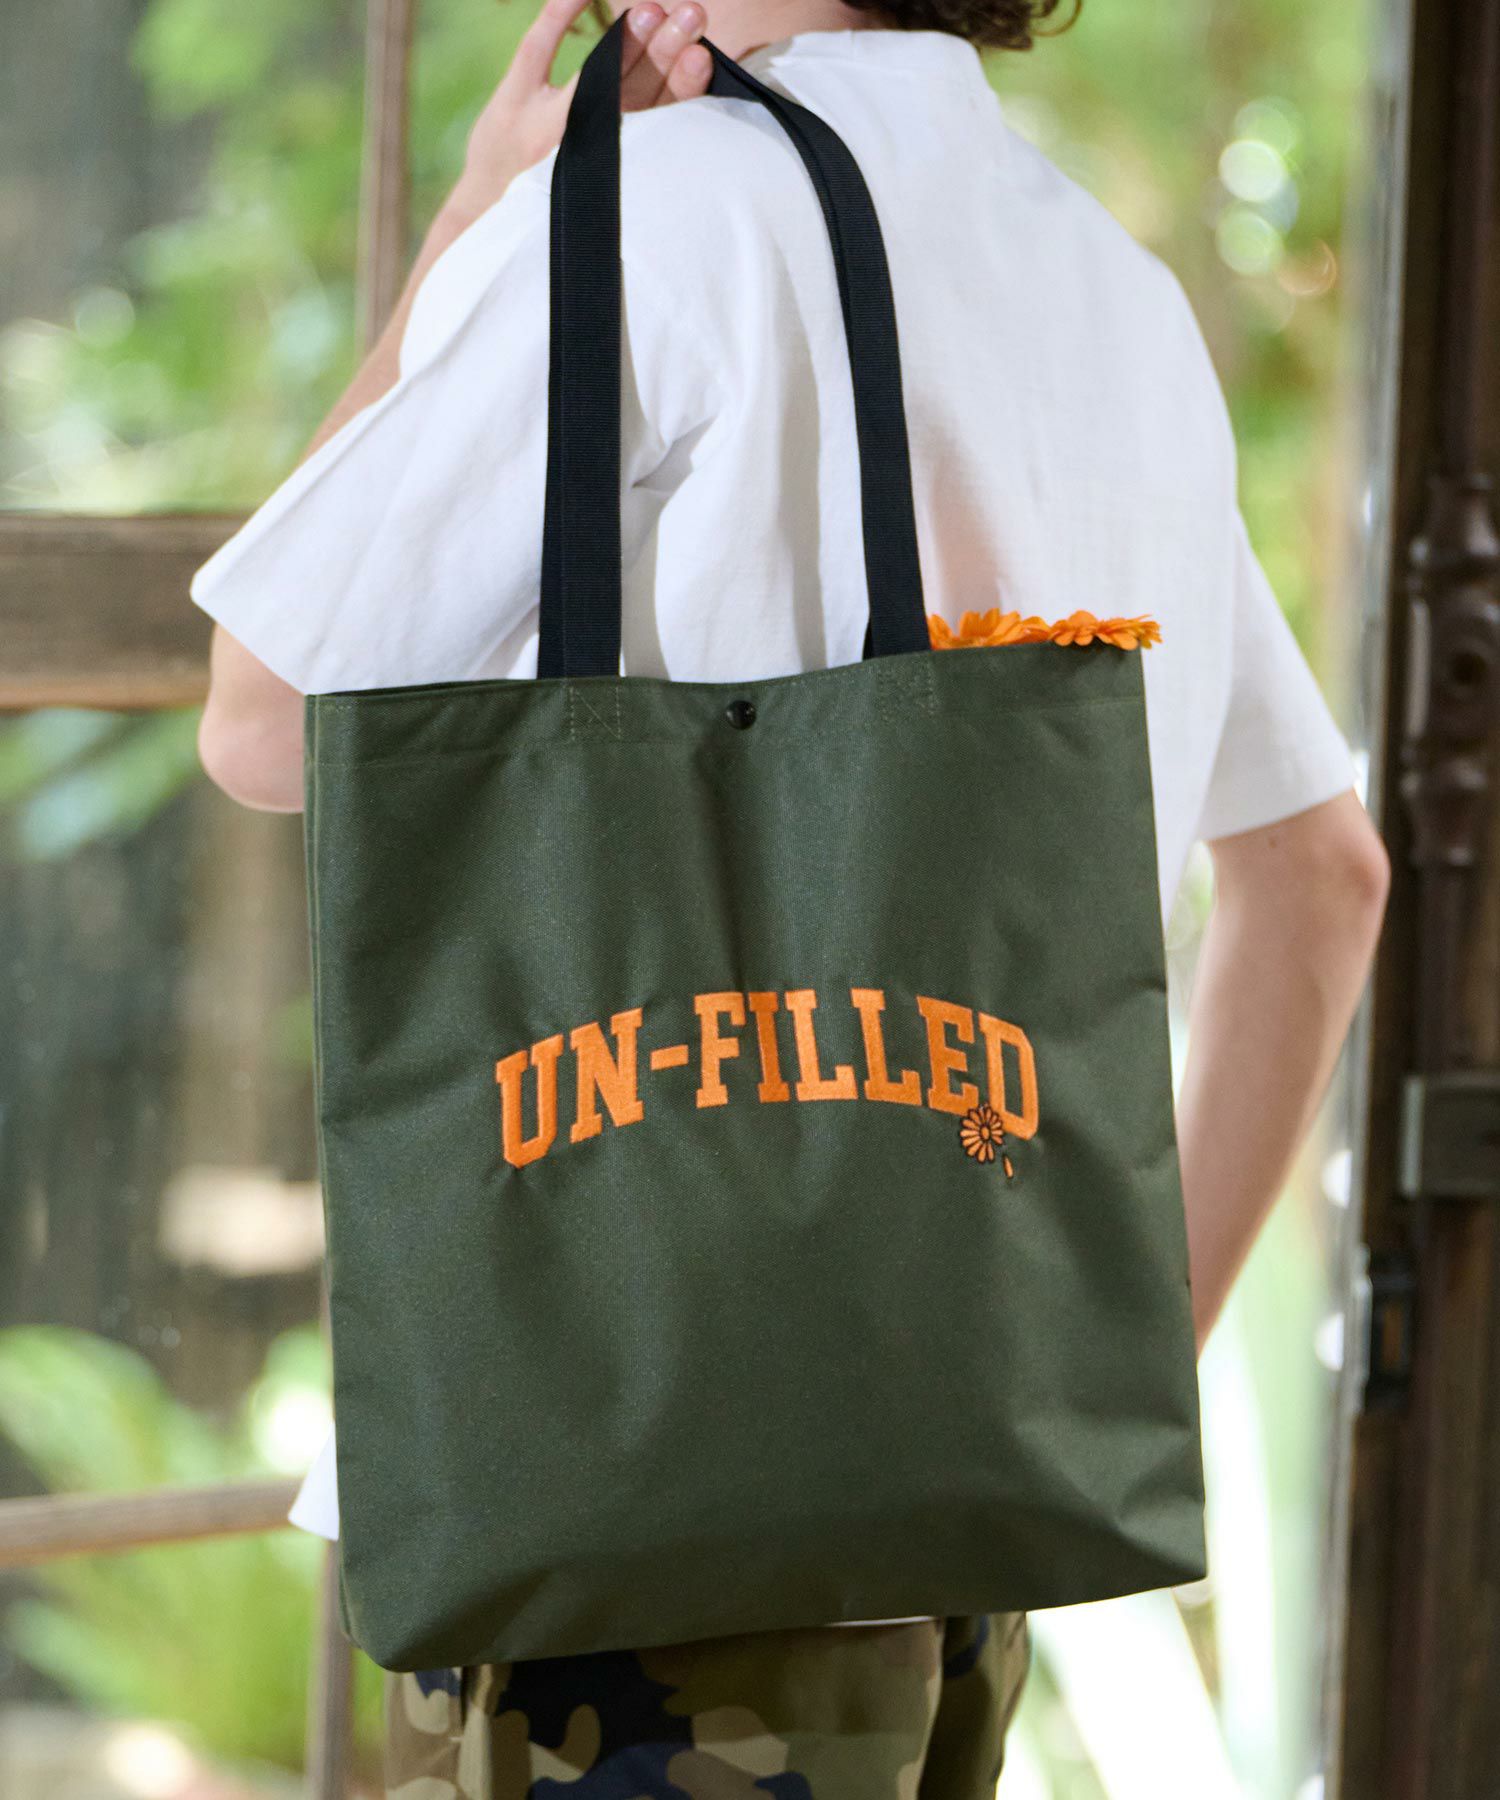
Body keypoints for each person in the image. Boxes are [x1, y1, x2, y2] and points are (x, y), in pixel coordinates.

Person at [190, 0, 1390, 1790]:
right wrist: (1058, 1391)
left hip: (634, 1494)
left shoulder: (647, 214)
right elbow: (1320, 877)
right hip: (962, 1508)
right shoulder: (1118, 295)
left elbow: (263, 716)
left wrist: (474, 224)